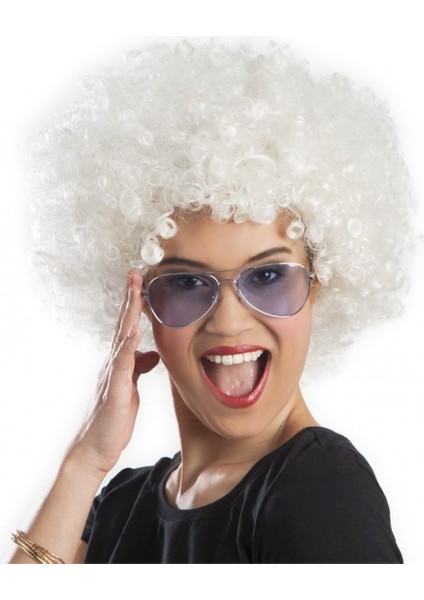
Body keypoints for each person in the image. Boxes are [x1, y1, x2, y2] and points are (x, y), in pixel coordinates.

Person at [9, 39, 414, 563]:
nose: (227, 321)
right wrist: (85, 461)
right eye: (185, 283)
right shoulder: (120, 502)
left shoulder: (318, 486)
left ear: (320, 285)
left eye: (267, 275)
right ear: (141, 305)